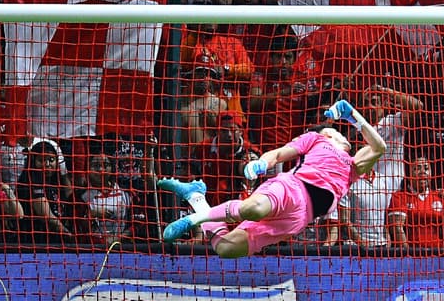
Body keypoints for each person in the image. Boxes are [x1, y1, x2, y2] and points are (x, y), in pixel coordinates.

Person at [157, 99, 386, 258]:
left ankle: (196, 198)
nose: (338, 133)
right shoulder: (316, 139)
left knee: (226, 248)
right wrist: (261, 164)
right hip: (293, 188)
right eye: (332, 131)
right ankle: (195, 219)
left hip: (298, 218)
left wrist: (352, 115)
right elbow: (277, 154)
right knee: (253, 209)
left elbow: (379, 147)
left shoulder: (352, 166)